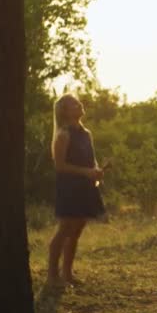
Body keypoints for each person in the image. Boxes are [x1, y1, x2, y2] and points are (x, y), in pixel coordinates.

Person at [46, 94, 106, 287]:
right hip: (69, 187)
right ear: (64, 111)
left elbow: (91, 160)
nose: (79, 104)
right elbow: (60, 166)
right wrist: (86, 172)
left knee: (77, 230)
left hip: (85, 187)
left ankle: (68, 273)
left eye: (77, 101)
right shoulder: (63, 134)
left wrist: (96, 171)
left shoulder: (86, 133)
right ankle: (52, 276)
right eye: (73, 103)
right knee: (64, 229)